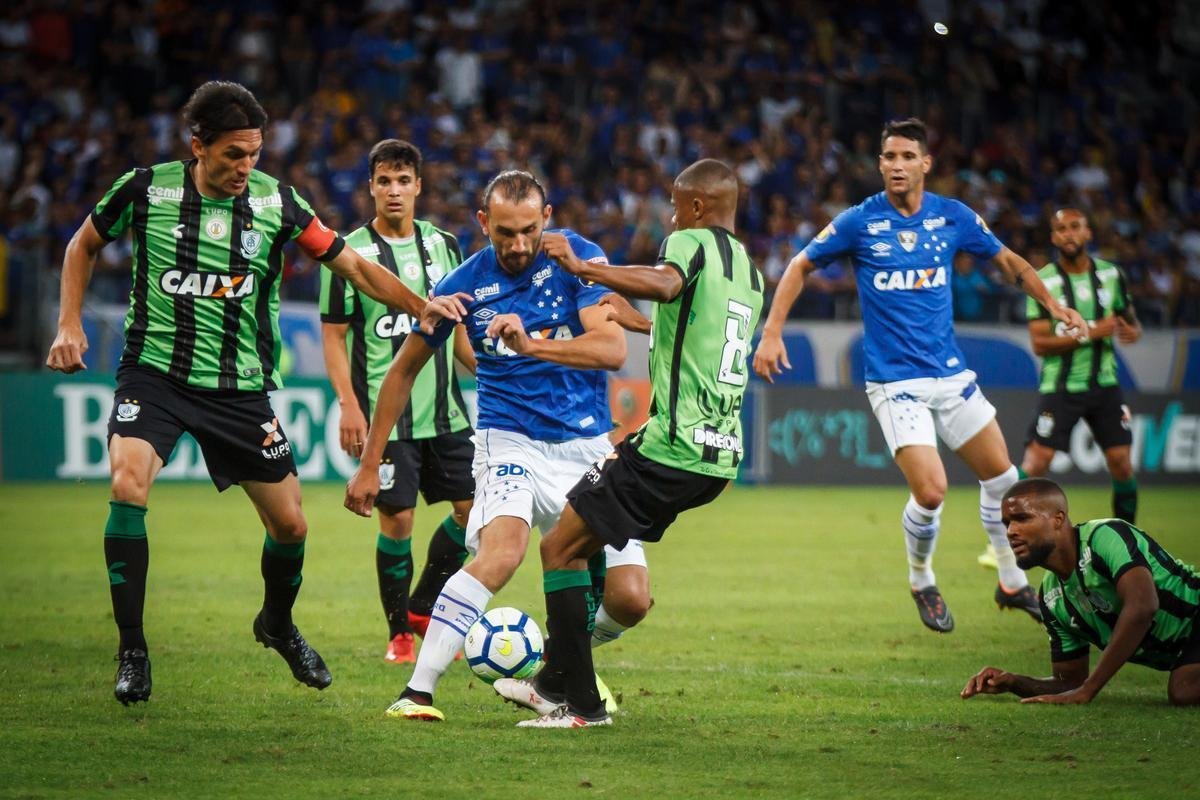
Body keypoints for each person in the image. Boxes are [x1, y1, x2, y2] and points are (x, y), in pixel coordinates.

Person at [44, 81, 459, 705]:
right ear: (197, 146)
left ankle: (278, 623)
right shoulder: (144, 189)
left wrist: (420, 306)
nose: (245, 167)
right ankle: (132, 648)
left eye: (254, 154)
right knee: (128, 482)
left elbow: (352, 266)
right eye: (233, 154)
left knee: (292, 526)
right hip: (155, 374)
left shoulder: (278, 202)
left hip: (240, 391)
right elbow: (82, 244)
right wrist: (69, 322)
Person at [753, 118, 1087, 634]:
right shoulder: (859, 222)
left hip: (950, 376)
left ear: (925, 163)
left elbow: (1007, 261)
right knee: (931, 492)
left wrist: (1053, 303)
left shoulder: (951, 216)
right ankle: (921, 578)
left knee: (1004, 480)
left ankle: (1010, 580)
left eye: (907, 156)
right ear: (880, 164)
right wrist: (772, 332)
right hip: (894, 381)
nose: (897, 166)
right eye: (889, 157)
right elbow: (799, 265)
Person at [344, 170, 653, 722]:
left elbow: (610, 349)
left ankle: (557, 670)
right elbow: (401, 372)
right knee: (503, 552)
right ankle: (417, 692)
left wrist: (530, 345)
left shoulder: (578, 260)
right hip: (509, 440)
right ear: (483, 223)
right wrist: (370, 464)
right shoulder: (462, 287)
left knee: (630, 599)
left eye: (529, 231)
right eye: (504, 232)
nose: (517, 245)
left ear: (548, 219)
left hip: (585, 444)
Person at [491, 158, 763, 727]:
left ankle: (582, 706)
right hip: (719, 458)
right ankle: (550, 679)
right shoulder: (750, 272)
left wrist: (587, 267)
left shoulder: (690, 243)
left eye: (673, 203)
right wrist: (632, 317)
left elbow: (666, 282)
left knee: (558, 548)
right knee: (582, 541)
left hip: (671, 448)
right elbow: (684, 323)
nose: (668, 215)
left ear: (694, 208)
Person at [319, 139, 476, 665]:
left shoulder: (445, 246)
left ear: (418, 187)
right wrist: (348, 404)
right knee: (398, 521)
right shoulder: (348, 254)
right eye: (384, 181)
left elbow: (460, 336)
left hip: (448, 412)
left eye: (403, 180)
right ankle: (401, 634)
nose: (393, 190)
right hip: (389, 421)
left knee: (471, 512)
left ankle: (424, 606)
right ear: (370, 187)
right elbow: (334, 336)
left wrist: (494, 371)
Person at [962, 477, 1200, 706]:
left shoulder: (1105, 537)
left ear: (1058, 519)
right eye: (1007, 523)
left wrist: (1088, 690)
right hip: (1188, 647)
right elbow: (1069, 681)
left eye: (1022, 518)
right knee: (1185, 688)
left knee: (1184, 690)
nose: (1011, 531)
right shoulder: (1051, 596)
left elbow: (1143, 607)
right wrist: (1013, 682)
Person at [1021, 209, 1141, 522]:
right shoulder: (1043, 281)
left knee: (1121, 463)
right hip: (1060, 386)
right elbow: (1039, 343)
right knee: (1036, 462)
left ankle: (1127, 540)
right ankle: (1004, 540)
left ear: (1088, 233)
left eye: (1075, 227)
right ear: (1053, 237)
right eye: (1060, 229)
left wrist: (1132, 330)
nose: (1068, 234)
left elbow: (1127, 318)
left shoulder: (1111, 275)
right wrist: (1088, 333)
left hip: (1104, 384)